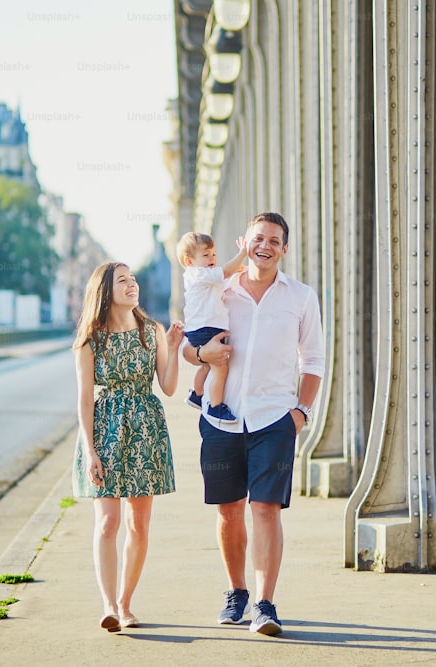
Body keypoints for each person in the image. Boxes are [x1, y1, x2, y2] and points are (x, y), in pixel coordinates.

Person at [183, 211, 324, 635]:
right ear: (244, 240)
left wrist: (302, 411)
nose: (265, 245)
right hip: (220, 419)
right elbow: (191, 347)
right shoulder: (216, 288)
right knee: (228, 512)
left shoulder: (301, 297)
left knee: (265, 510)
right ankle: (236, 592)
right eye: (258, 237)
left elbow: (313, 359)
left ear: (284, 248)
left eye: (274, 240)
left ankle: (265, 604)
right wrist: (201, 357)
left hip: (274, 419)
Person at [72, 261, 184, 633]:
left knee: (138, 524)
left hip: (145, 431)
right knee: (108, 522)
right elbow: (85, 400)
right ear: (106, 291)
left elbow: (167, 387)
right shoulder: (90, 339)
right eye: (123, 280)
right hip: (105, 431)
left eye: (133, 279)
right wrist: (90, 451)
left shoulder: (152, 331)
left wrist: (172, 347)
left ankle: (125, 603)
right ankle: (107, 605)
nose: (132, 284)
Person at [175, 231, 247, 425]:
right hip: (207, 328)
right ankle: (215, 407)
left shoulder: (201, 277)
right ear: (189, 261)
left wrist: (237, 270)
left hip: (200, 328)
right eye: (205, 255)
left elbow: (223, 279)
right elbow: (224, 272)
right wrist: (242, 253)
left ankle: (197, 395)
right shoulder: (198, 274)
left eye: (214, 254)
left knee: (208, 365)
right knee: (220, 368)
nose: (212, 259)